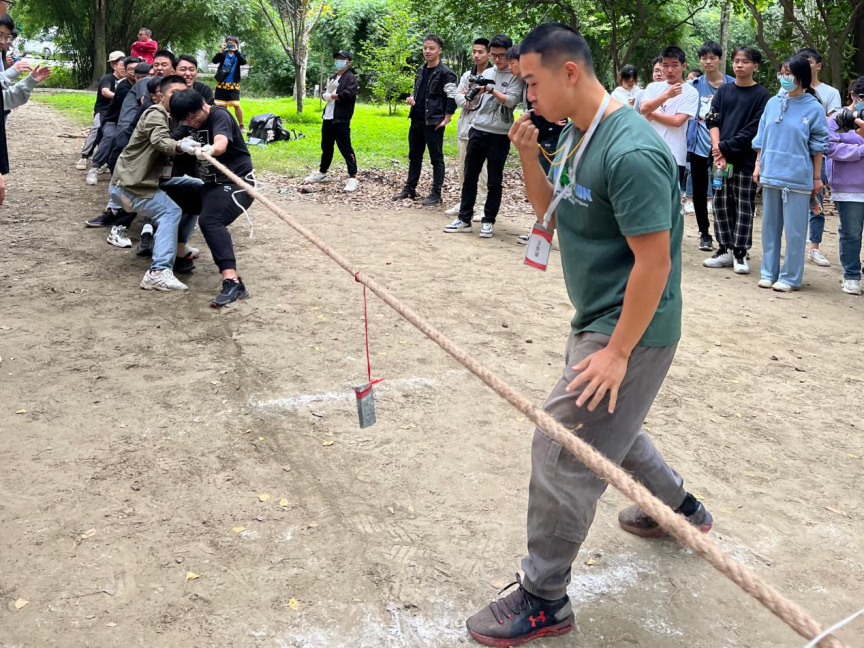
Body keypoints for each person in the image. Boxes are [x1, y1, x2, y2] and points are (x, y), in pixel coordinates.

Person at [467, 22, 711, 646]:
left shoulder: (630, 152)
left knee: (563, 445)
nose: (524, 96)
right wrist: (528, 154)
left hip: (632, 326)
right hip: (597, 315)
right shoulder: (579, 131)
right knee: (612, 430)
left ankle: (544, 598)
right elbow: (549, 212)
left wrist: (618, 352)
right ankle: (680, 510)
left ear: (569, 72)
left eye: (530, 82)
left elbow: (655, 264)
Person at [168, 89, 256, 307]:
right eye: (186, 120)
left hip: (237, 185)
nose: (192, 123)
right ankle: (181, 254)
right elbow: (167, 141)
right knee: (169, 196)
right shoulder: (189, 122)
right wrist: (179, 145)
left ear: (202, 105)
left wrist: (211, 149)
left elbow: (221, 143)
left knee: (210, 220)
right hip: (209, 186)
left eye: (194, 117)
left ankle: (233, 282)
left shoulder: (219, 115)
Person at [108, 76, 196, 292]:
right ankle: (158, 272)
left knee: (195, 189)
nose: (179, 98)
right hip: (130, 185)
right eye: (174, 93)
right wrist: (181, 146)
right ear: (160, 96)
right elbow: (161, 141)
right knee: (170, 211)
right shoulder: (155, 113)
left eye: (183, 93)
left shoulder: (174, 117)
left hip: (149, 182)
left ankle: (178, 247)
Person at [753, 55, 829, 292]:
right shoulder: (772, 103)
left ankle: (790, 278)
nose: (784, 78)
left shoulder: (814, 107)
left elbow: (818, 146)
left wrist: (816, 178)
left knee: (795, 232)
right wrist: (758, 164)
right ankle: (768, 273)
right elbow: (761, 137)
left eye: (789, 74)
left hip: (797, 177)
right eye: (782, 73)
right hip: (771, 172)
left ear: (801, 77)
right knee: (769, 229)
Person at [443, 34, 524, 238]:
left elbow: (511, 100)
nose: (497, 60)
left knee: (494, 180)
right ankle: (464, 219)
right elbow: (473, 102)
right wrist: (474, 93)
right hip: (477, 129)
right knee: (469, 176)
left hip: (500, 134)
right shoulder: (487, 72)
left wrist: (490, 89)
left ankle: (488, 220)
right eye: (493, 55)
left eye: (501, 55)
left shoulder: (516, 75)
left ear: (510, 53)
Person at [702, 46, 770, 274]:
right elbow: (712, 119)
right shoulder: (724, 91)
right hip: (720, 160)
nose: (740, 65)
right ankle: (724, 249)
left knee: (743, 207)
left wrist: (722, 148)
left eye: (745, 61)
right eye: (737, 61)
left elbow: (753, 130)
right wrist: (717, 149)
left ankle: (740, 252)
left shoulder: (762, 96)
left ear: (755, 66)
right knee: (720, 204)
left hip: (745, 160)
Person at [392, 34, 457, 206]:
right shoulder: (421, 70)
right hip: (417, 119)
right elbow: (419, 91)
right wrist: (413, 98)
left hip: (434, 122)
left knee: (436, 158)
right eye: (425, 48)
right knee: (414, 156)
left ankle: (436, 193)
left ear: (439, 50)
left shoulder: (446, 73)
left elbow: (452, 96)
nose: (427, 51)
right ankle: (409, 188)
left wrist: (447, 117)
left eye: (431, 48)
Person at [796, 48, 842, 268]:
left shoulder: (830, 93)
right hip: (794, 153)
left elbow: (831, 123)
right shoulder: (789, 89)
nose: (805, 64)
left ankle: (814, 247)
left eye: (809, 61)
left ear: (819, 65)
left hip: (818, 155)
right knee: (789, 201)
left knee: (817, 200)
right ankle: (792, 246)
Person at [686, 41, 734, 251]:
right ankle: (704, 233)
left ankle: (728, 236)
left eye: (712, 58)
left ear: (720, 59)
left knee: (724, 190)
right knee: (698, 191)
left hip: (725, 149)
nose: (708, 61)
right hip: (698, 147)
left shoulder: (732, 84)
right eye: (704, 58)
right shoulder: (694, 85)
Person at [640, 46, 699, 199]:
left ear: (684, 66)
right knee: (646, 197)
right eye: (665, 65)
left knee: (669, 199)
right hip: (649, 150)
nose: (669, 70)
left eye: (674, 65)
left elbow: (677, 121)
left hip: (674, 153)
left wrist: (652, 114)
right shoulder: (653, 87)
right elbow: (643, 108)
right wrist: (666, 95)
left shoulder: (691, 92)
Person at [826, 77, 864, 296]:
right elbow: (830, 148)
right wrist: (860, 150)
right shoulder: (838, 119)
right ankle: (851, 275)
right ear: (853, 96)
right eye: (862, 97)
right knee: (851, 233)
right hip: (848, 188)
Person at [444, 38, 490, 217]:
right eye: (474, 52)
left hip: (483, 128)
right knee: (463, 167)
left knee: (482, 169)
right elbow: (459, 97)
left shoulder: (492, 76)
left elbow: (484, 101)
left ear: (488, 54)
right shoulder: (466, 75)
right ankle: (465, 202)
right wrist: (469, 99)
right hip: (464, 128)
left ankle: (482, 205)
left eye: (480, 52)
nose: (476, 55)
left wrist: (471, 98)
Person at [302, 50, 359, 192]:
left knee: (345, 148)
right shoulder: (333, 77)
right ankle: (322, 173)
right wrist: (325, 95)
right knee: (326, 147)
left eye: (342, 59)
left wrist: (332, 96)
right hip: (328, 117)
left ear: (348, 62)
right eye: (337, 58)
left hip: (341, 119)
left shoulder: (350, 78)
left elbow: (348, 94)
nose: (339, 61)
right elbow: (324, 93)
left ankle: (353, 176)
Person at [85, 57, 144, 186]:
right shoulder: (124, 87)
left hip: (134, 123)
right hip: (114, 121)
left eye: (137, 69)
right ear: (125, 71)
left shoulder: (145, 85)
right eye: (130, 69)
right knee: (112, 137)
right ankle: (95, 167)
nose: (134, 72)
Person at [76, 51, 125, 170]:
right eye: (122, 65)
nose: (124, 68)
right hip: (103, 110)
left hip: (118, 112)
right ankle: (84, 156)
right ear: (113, 65)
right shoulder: (108, 78)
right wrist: (119, 96)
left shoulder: (127, 81)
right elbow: (105, 91)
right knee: (97, 128)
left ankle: (109, 161)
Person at [212, 36, 247, 130]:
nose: (230, 45)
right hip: (222, 83)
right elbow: (214, 61)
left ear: (236, 45)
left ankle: (241, 125)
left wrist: (236, 51)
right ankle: (224, 124)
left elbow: (243, 62)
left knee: (236, 104)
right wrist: (221, 51)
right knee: (221, 106)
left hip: (234, 84)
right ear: (225, 44)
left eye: (232, 43)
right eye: (229, 43)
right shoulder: (223, 54)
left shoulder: (238, 55)